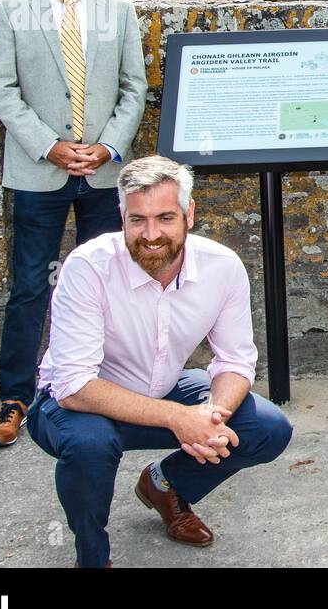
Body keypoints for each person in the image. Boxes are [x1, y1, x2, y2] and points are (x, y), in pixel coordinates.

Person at [26, 156, 293, 568]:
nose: (151, 235)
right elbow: (74, 384)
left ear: (189, 214)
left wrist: (211, 417)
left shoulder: (222, 267)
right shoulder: (86, 267)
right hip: (76, 404)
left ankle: (165, 485)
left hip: (162, 387)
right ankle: (92, 558)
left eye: (165, 217)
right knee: (89, 445)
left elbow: (236, 361)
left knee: (267, 428)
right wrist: (178, 418)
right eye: (138, 220)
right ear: (122, 216)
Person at [0, 0, 146, 446]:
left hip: (102, 173)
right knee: (30, 285)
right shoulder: (9, 11)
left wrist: (107, 147)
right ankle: (15, 397)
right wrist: (50, 147)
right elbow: (4, 91)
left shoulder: (118, 11)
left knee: (110, 283)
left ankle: (105, 387)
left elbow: (133, 89)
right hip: (39, 170)